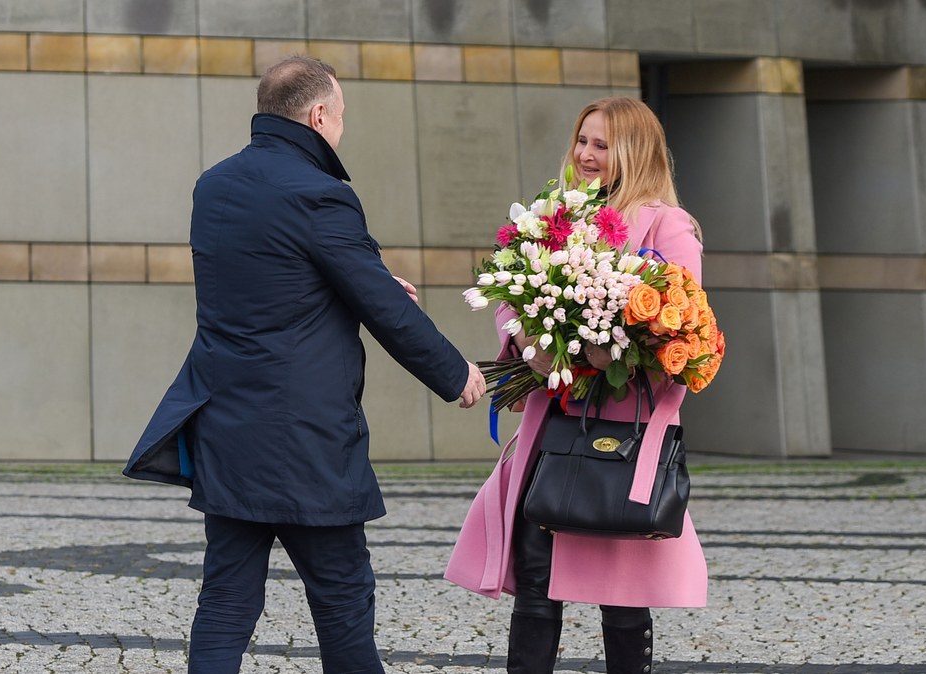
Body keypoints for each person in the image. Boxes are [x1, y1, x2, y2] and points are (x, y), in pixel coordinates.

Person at [123, 55, 487, 674]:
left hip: (229, 428)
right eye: (341, 119)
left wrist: (362, 277)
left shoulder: (215, 185)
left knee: (227, 600)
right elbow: (382, 311)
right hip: (306, 443)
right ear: (319, 115)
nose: (341, 132)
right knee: (344, 600)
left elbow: (268, 280)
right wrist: (456, 375)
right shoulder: (321, 194)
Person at [444, 97, 708, 673]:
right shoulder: (558, 215)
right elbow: (517, 293)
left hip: (624, 433)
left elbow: (683, 320)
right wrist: (530, 340)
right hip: (554, 423)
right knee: (536, 582)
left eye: (602, 144)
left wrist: (608, 346)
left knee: (624, 595)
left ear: (633, 152)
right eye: (582, 141)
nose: (585, 155)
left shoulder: (669, 223)